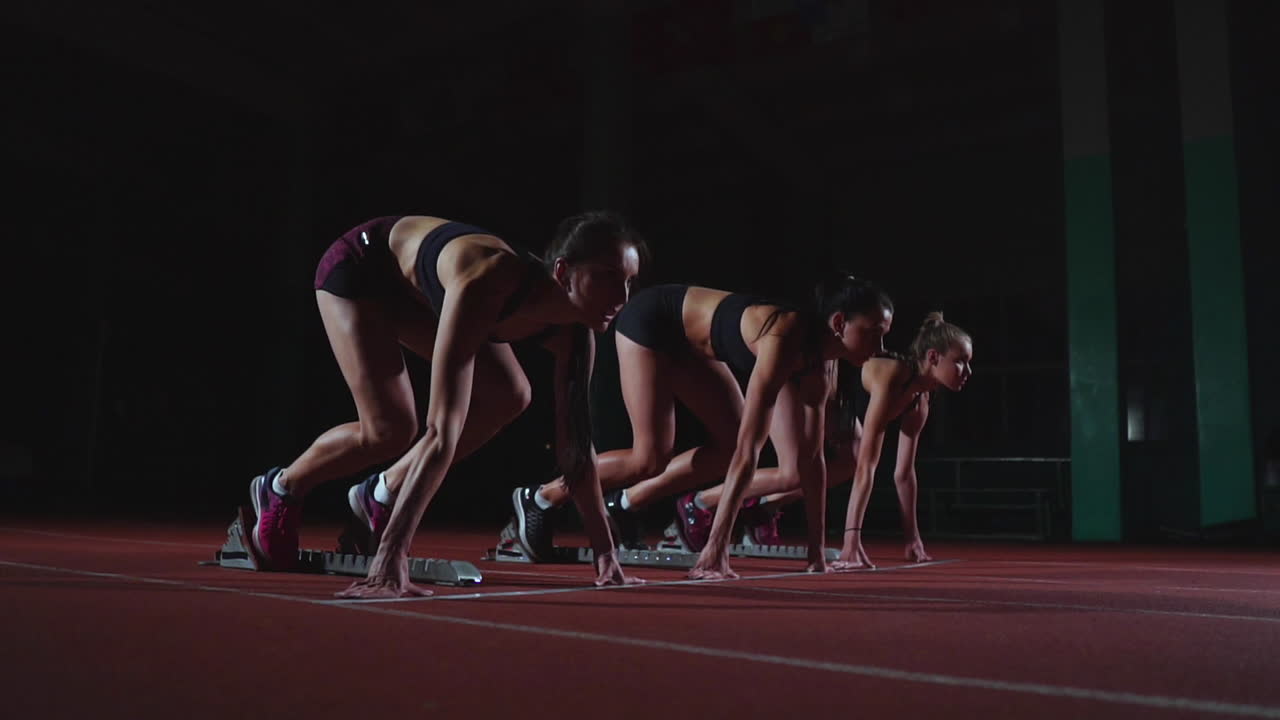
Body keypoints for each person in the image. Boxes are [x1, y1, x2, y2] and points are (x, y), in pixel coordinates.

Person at [246, 212, 648, 598]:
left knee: (511, 396)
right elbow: (442, 431)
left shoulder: (577, 335)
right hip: (363, 268)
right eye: (607, 277)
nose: (622, 297)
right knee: (390, 429)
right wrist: (389, 558)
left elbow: (576, 450)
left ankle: (381, 494)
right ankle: (282, 487)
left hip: (418, 292)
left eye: (629, 281)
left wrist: (606, 555)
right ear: (563, 273)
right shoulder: (487, 281)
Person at [509, 274, 894, 579]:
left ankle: (626, 504)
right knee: (650, 457)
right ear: (840, 323)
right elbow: (751, 451)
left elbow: (812, 461)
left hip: (695, 344)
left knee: (727, 448)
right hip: (654, 321)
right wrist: (716, 548)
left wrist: (817, 553)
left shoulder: (825, 363)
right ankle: (540, 497)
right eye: (876, 332)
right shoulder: (783, 339)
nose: (880, 347)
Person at [682, 313, 973, 567]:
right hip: (799, 377)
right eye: (961, 362)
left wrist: (913, 540)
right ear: (933, 357)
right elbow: (867, 468)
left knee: (844, 464)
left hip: (836, 404)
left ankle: (764, 507)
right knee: (800, 470)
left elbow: (904, 474)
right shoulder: (893, 378)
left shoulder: (920, 400)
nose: (968, 372)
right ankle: (699, 502)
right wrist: (851, 541)